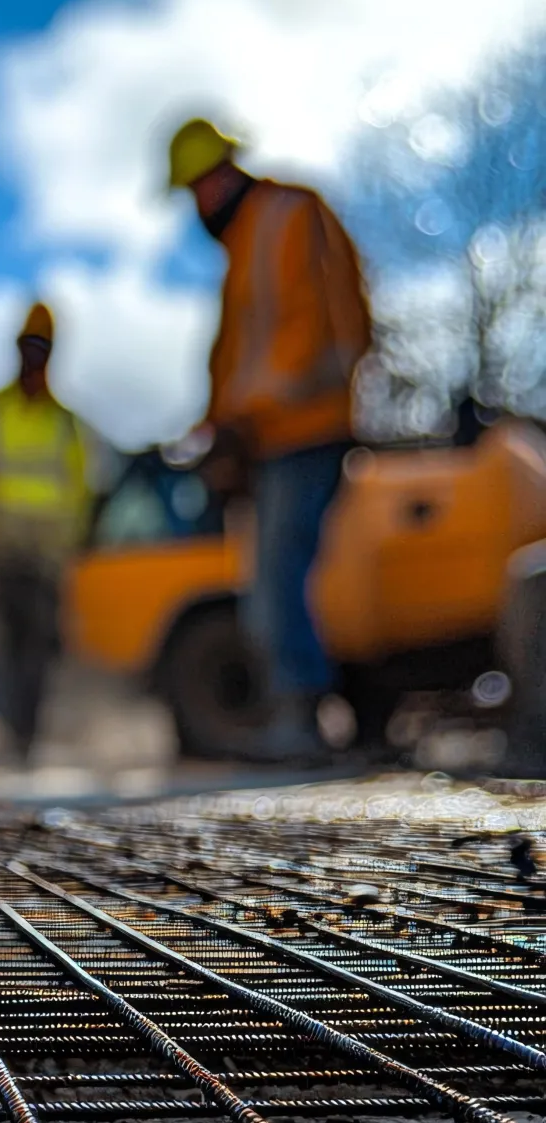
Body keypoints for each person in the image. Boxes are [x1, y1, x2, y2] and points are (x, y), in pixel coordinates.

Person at [168, 117, 372, 763]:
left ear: (218, 177)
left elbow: (310, 332)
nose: (195, 208)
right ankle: (299, 712)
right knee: (270, 582)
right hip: (270, 438)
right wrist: (216, 421)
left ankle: (303, 718)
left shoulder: (286, 215)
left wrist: (245, 413)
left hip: (304, 430)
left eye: (194, 190)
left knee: (279, 577)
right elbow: (237, 355)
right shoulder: (245, 246)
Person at [0, 302, 90, 762]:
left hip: (48, 559)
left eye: (42, 348)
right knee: (8, 647)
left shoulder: (66, 424)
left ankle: (27, 739)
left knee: (40, 652)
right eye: (29, 347)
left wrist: (75, 548)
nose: (35, 357)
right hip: (5, 553)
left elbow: (80, 491)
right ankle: (11, 735)